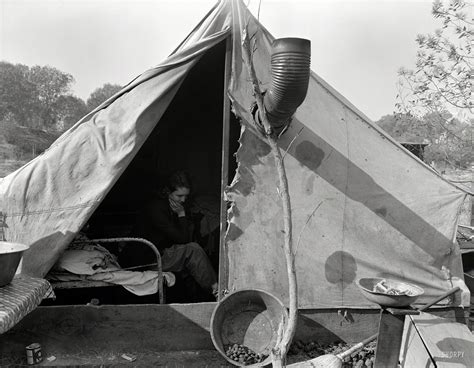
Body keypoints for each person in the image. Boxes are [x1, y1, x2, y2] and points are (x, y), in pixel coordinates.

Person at [125, 171, 218, 301]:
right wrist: (181, 214)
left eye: (186, 196)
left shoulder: (169, 205)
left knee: (191, 254)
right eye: (179, 196)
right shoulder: (156, 208)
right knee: (193, 250)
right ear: (167, 192)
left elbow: (182, 237)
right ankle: (217, 291)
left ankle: (197, 297)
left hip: (158, 252)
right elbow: (184, 239)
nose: (183, 200)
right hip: (147, 260)